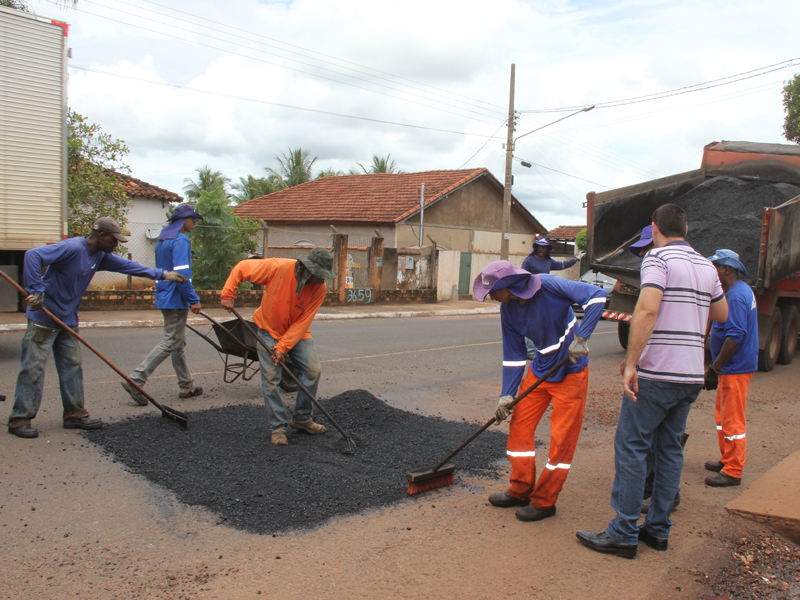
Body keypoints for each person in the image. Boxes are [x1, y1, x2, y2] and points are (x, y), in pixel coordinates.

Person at [576, 203, 728, 559]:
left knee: (632, 448)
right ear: (686, 230)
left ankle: (624, 532)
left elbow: (646, 309)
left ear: (655, 229)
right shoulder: (707, 266)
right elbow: (722, 313)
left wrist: (631, 364)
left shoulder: (657, 260)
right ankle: (658, 530)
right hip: (690, 375)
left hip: (658, 373)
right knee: (670, 450)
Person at [8, 217, 187, 439]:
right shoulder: (71, 247)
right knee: (33, 368)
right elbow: (33, 255)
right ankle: (20, 419)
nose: (116, 245)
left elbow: (128, 266)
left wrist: (162, 274)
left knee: (72, 366)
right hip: (44, 317)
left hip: (67, 320)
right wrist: (35, 290)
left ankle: (75, 415)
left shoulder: (100, 256)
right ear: (101, 236)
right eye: (114, 240)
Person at [473, 260, 607, 522]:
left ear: (508, 286)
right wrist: (507, 395)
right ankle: (521, 488)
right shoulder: (508, 309)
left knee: (562, 439)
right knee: (520, 427)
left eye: (493, 292)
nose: (491, 297)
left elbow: (597, 296)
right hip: (540, 368)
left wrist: (583, 338)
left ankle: (545, 500)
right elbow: (514, 354)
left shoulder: (549, 285)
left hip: (571, 370)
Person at [220, 249, 337, 446]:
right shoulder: (278, 267)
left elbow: (302, 323)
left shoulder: (319, 289)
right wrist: (228, 294)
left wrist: (282, 347)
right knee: (272, 379)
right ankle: (278, 427)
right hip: (268, 329)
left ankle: (301, 418)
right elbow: (242, 268)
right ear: (308, 269)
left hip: (296, 332)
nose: (322, 280)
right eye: (320, 275)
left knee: (313, 371)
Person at [121, 204, 205, 405]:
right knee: (171, 341)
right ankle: (136, 379)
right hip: (176, 297)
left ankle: (186, 386)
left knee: (177, 342)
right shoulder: (181, 240)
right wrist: (193, 299)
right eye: (193, 219)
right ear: (184, 220)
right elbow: (182, 273)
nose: (194, 223)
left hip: (165, 294)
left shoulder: (163, 240)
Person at [703, 249, 758, 488]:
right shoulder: (739, 291)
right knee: (723, 416)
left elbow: (735, 336)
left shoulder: (735, 296)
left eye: (715, 267)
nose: (712, 271)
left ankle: (733, 470)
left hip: (734, 368)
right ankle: (727, 458)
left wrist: (715, 368)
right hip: (733, 368)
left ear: (726, 269)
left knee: (733, 420)